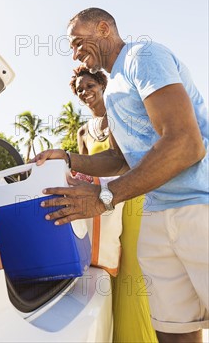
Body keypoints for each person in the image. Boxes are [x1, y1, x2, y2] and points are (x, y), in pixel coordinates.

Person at [33, 7, 208, 343]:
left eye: (78, 42)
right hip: (158, 216)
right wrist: (69, 159)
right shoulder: (112, 91)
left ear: (103, 28)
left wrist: (105, 198)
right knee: (175, 330)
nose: (75, 53)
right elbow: (119, 159)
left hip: (199, 208)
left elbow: (186, 143)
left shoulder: (142, 57)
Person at [71, 64, 157, 343]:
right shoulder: (83, 131)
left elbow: (130, 160)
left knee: (132, 267)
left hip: (129, 199)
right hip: (101, 209)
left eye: (89, 85)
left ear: (102, 84)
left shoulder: (122, 116)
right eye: (80, 89)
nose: (85, 92)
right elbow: (85, 172)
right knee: (106, 269)